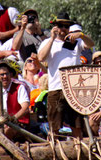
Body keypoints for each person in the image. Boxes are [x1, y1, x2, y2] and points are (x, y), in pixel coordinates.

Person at [37, 11, 95, 139]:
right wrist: (52, 38)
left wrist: (82, 35)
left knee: (77, 126)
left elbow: (91, 44)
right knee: (54, 128)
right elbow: (41, 57)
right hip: (56, 89)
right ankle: (53, 154)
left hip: (74, 89)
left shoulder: (76, 41)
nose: (63, 29)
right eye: (61, 25)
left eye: (66, 26)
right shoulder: (48, 42)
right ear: (55, 26)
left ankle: (79, 153)